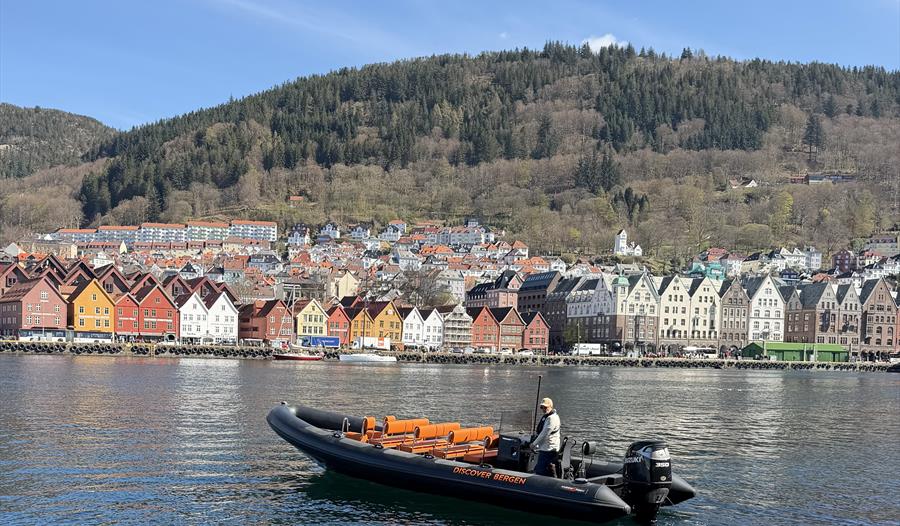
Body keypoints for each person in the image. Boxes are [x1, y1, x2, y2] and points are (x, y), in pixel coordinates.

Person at [531, 397, 560, 477]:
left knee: (541, 469)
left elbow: (544, 433)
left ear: (551, 406)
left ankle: (553, 481)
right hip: (545, 447)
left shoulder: (552, 418)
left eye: (545, 407)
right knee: (544, 467)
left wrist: (533, 444)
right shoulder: (547, 416)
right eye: (542, 407)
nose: (543, 409)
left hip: (549, 449)